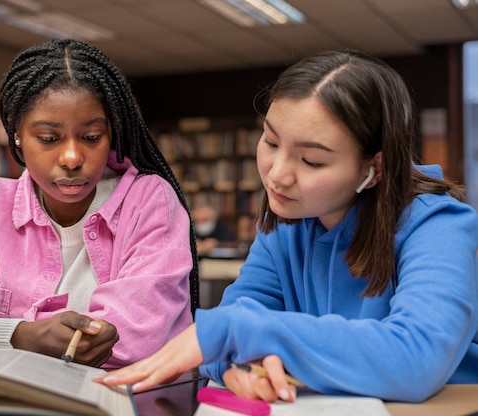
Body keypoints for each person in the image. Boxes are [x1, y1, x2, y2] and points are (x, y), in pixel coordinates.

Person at [97, 49, 478, 402]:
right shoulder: (286, 224)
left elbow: (417, 358)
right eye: (271, 141)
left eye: (311, 160)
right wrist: (241, 367)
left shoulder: (437, 226)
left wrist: (244, 335)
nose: (277, 176)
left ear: (373, 169)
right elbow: (226, 336)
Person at [0, 38, 200, 369]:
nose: (71, 158)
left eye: (92, 137)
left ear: (113, 133)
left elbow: (138, 337)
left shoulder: (148, 201)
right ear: (16, 132)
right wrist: (20, 335)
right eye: (49, 139)